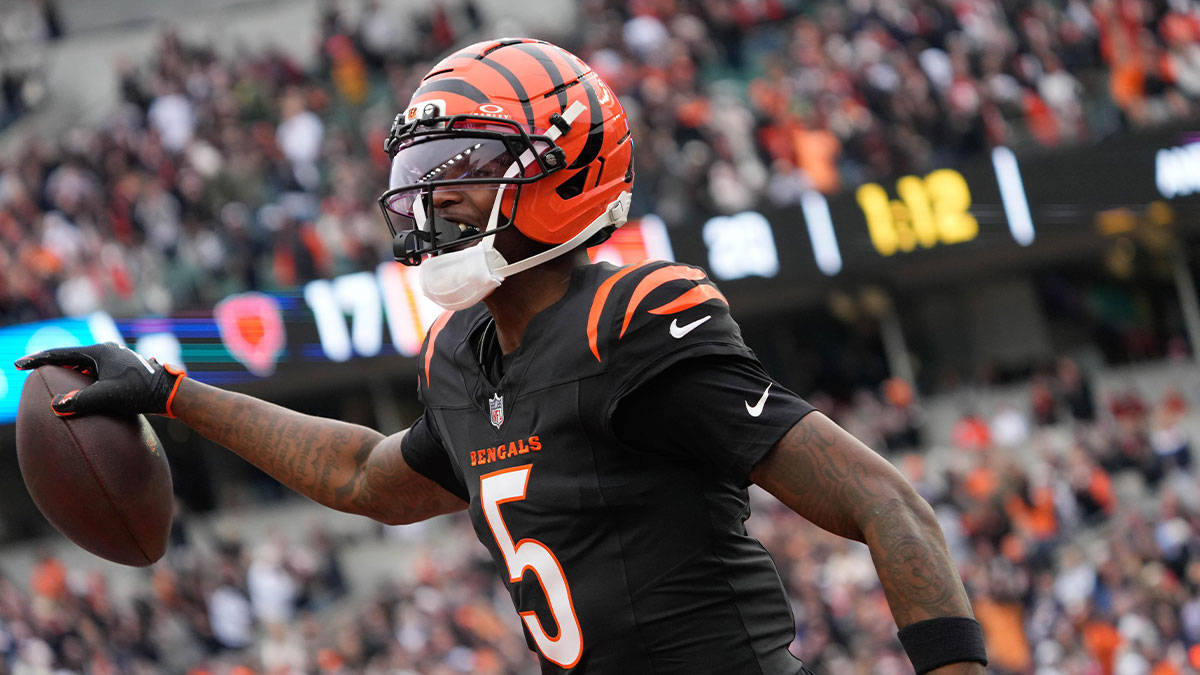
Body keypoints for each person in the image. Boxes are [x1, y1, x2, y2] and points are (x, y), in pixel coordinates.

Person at [17, 38, 986, 674]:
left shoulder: (632, 320)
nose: (429, 206)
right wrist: (175, 392)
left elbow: (883, 500)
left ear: (561, 174)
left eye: (462, 179)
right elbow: (365, 474)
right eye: (425, 180)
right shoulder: (464, 354)